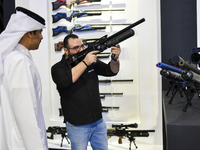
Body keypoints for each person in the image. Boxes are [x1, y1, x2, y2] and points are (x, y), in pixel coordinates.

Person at [51, 34, 121, 150]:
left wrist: (115, 59)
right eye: (75, 48)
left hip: (98, 122)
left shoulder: (89, 62)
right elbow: (66, 80)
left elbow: (111, 71)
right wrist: (85, 63)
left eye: (81, 46)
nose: (80, 50)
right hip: (77, 125)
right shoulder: (58, 68)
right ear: (66, 50)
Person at [0, 7, 48, 150]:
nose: (41, 37)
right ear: (29, 33)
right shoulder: (19, 61)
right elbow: (27, 115)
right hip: (23, 144)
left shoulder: (10, 58)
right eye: (40, 32)